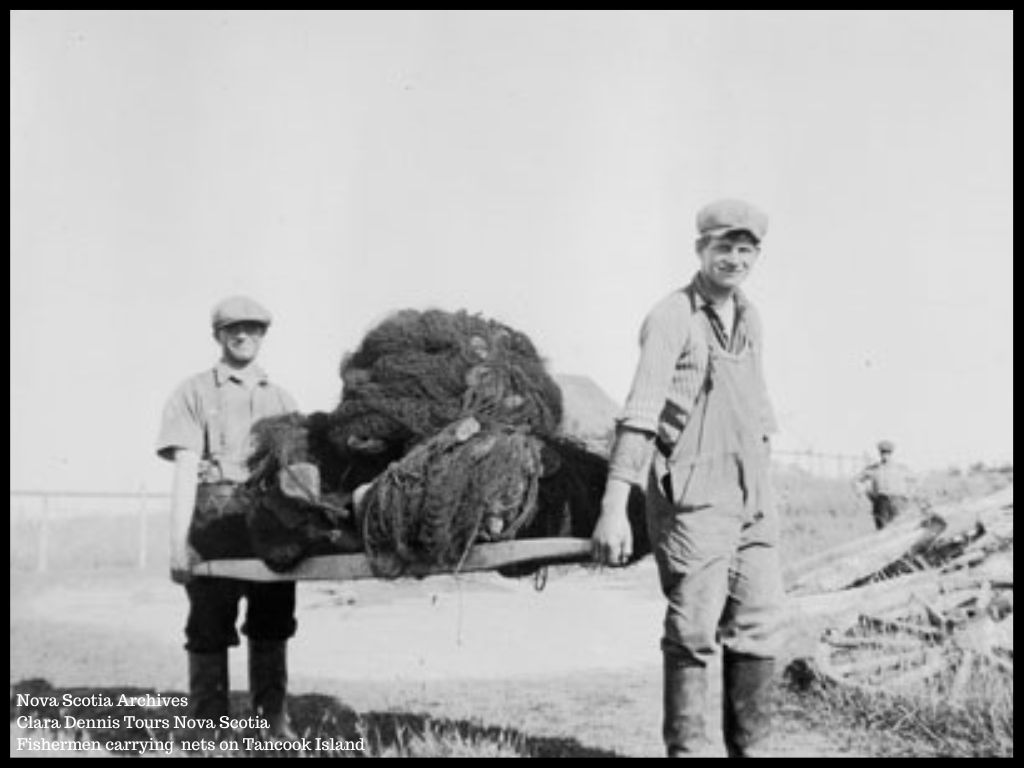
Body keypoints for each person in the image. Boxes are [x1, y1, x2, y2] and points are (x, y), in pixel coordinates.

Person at [592, 199, 783, 757]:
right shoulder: (672, 316)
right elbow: (641, 412)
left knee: (760, 626)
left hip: (754, 499)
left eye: (746, 249)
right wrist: (613, 506)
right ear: (701, 249)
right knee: (694, 634)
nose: (734, 258)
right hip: (695, 499)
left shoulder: (751, 318)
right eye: (724, 246)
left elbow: (759, 410)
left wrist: (766, 487)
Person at [156, 296, 299, 737]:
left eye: (253, 329)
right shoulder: (193, 392)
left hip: (270, 522)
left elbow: (296, 476)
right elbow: (184, 470)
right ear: (217, 335)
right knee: (209, 624)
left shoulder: (281, 398)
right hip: (214, 519)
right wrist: (178, 545)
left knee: (273, 620)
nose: (243, 336)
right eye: (233, 328)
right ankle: (207, 726)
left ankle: (271, 722)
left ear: (263, 335)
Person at [855, 440, 913, 530]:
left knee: (899, 529)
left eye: (888, 453)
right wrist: (865, 493)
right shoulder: (874, 468)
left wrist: (908, 495)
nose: (885, 455)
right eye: (883, 453)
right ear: (880, 454)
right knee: (882, 530)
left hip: (898, 502)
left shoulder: (900, 468)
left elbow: (915, 480)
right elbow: (856, 480)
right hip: (881, 502)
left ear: (891, 454)